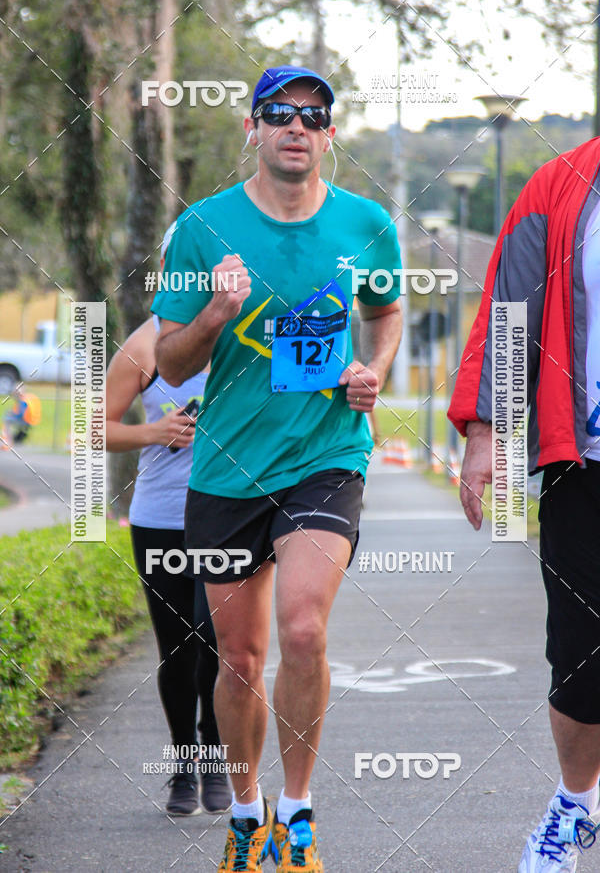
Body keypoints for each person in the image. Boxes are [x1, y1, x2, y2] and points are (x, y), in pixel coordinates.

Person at [152, 65, 403, 872]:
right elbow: (168, 357)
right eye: (279, 113)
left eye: (313, 115)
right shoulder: (202, 229)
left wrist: (375, 371)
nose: (297, 125)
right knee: (240, 659)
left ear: (330, 135)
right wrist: (218, 313)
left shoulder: (366, 225)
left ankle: (297, 816)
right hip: (226, 468)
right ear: (253, 130)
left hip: (326, 455)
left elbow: (387, 306)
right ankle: (246, 813)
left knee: (302, 627)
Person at [449, 135, 600, 872]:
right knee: (579, 661)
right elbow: (509, 314)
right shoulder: (561, 183)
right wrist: (487, 435)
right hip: (586, 463)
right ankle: (574, 805)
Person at [106, 227, 230, 818]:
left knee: (223, 645)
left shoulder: (247, 333)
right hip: (161, 517)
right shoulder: (144, 345)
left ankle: (215, 753)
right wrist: (153, 433)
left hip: (233, 512)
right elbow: (93, 428)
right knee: (179, 648)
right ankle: (184, 764)